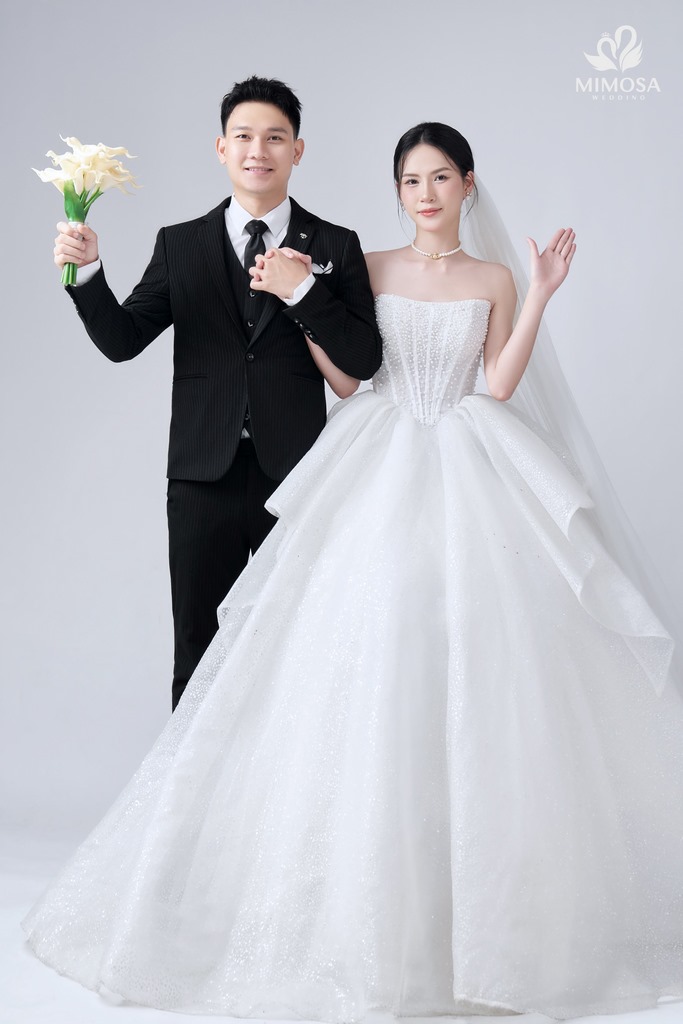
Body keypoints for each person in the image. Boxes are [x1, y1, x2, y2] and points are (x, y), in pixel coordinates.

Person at [25, 123, 683, 1020]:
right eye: (410, 180)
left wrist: (539, 294)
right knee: (367, 654)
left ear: (467, 185)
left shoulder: (495, 277)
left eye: (439, 178)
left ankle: (480, 909)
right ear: (397, 189)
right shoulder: (363, 265)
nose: (424, 194)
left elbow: (496, 385)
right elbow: (348, 377)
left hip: (470, 461)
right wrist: (302, 304)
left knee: (478, 663)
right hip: (379, 456)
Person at [52, 75, 382, 709]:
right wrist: (87, 273)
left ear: (298, 151)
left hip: (297, 478)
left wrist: (303, 292)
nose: (259, 150)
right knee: (197, 652)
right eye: (244, 137)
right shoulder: (180, 244)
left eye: (275, 138)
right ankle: (189, 778)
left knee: (300, 647)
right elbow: (123, 340)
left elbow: (364, 360)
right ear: (221, 148)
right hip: (202, 476)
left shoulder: (335, 245)